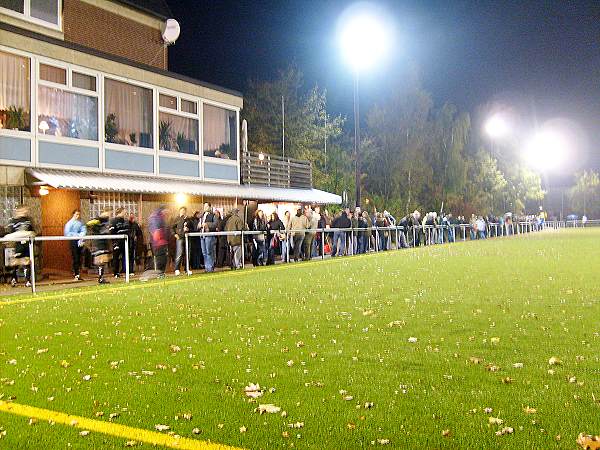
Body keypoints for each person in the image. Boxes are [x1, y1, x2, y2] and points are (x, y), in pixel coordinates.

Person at [6, 205, 35, 287]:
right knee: (15, 262)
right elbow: (11, 233)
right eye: (23, 210)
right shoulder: (13, 221)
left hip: (27, 244)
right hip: (18, 244)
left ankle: (28, 280)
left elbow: (32, 231)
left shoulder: (28, 220)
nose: (25, 211)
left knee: (27, 261)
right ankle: (13, 279)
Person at [86, 207, 112, 284]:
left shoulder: (107, 221)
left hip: (104, 242)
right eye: (109, 213)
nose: (110, 214)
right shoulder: (98, 219)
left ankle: (101, 277)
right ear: (106, 212)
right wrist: (99, 221)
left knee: (104, 260)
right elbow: (88, 224)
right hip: (99, 243)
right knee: (101, 260)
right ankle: (100, 278)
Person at [145, 205, 170, 279]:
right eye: (167, 210)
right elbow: (155, 229)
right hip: (158, 242)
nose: (168, 212)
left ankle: (160, 273)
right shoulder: (156, 217)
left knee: (162, 258)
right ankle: (151, 273)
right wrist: (157, 235)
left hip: (162, 241)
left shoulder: (160, 217)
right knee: (160, 259)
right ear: (163, 210)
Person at [64, 209, 86, 280]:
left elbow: (84, 230)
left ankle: (79, 273)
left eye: (79, 214)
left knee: (80, 258)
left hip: (80, 241)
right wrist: (77, 235)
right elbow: (67, 233)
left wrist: (81, 236)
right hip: (73, 241)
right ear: (73, 214)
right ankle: (76, 273)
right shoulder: (69, 223)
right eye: (76, 214)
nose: (78, 216)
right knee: (75, 257)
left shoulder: (80, 223)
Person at [109, 207, 129, 278]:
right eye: (124, 212)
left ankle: (126, 271)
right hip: (117, 242)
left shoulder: (126, 221)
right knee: (116, 258)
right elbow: (112, 232)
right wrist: (115, 243)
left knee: (125, 256)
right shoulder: (113, 221)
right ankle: (116, 273)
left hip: (125, 242)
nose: (125, 213)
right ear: (121, 212)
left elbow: (128, 230)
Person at [199, 203, 218, 272]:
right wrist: (199, 225)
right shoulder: (202, 216)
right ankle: (207, 267)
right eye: (204, 206)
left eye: (206, 206)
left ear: (210, 207)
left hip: (209, 235)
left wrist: (207, 224)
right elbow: (198, 225)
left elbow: (215, 224)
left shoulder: (213, 215)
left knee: (209, 251)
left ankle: (210, 267)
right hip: (202, 235)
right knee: (204, 252)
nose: (205, 207)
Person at [172, 206, 190, 276]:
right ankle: (177, 269)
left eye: (184, 211)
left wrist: (188, 229)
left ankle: (187, 269)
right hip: (179, 238)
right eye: (182, 210)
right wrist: (175, 234)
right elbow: (172, 228)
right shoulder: (176, 219)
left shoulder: (188, 219)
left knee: (187, 253)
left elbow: (191, 226)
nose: (183, 212)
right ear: (179, 211)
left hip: (187, 237)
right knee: (179, 254)